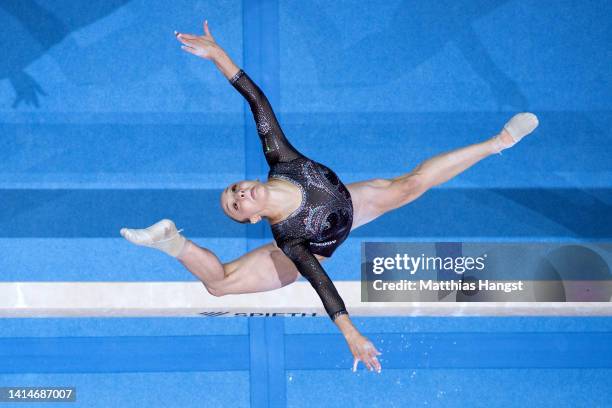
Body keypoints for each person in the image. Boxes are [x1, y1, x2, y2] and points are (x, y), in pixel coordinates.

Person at [120, 20, 539, 374]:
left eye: (234, 189)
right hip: (322, 240)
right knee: (220, 285)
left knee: (412, 184)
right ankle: (171, 240)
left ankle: (498, 141)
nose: (239, 193)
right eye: (236, 204)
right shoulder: (290, 240)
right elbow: (322, 284)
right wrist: (351, 333)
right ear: (251, 219)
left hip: (348, 207)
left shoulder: (281, 159)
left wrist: (218, 56)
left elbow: (256, 99)